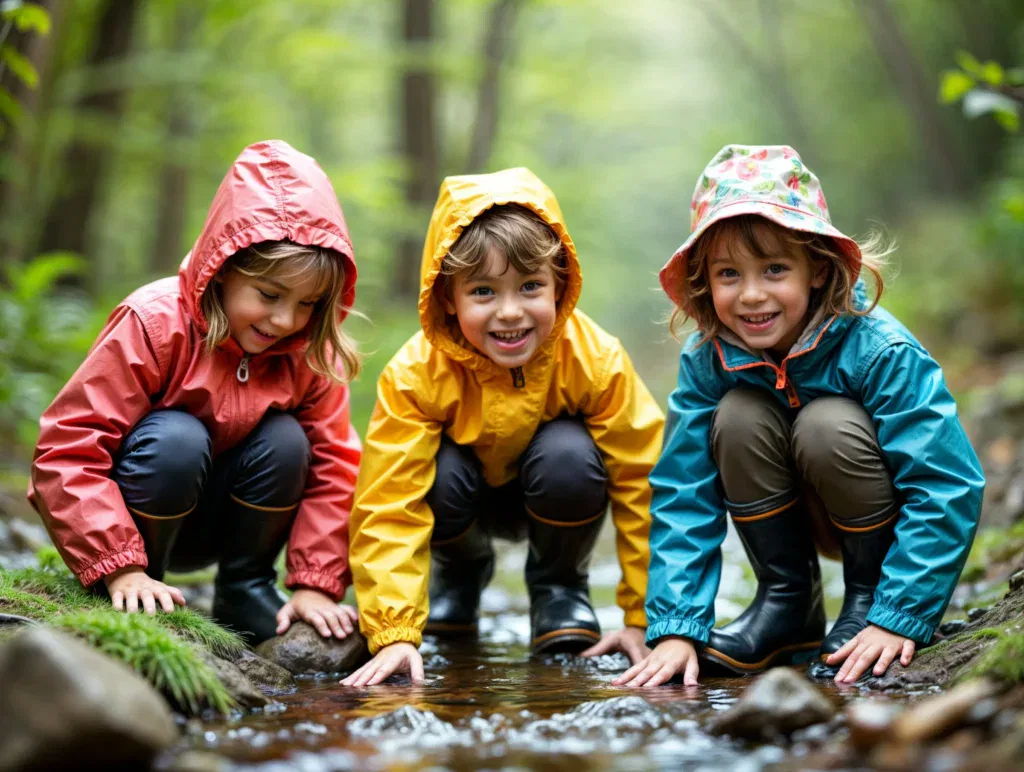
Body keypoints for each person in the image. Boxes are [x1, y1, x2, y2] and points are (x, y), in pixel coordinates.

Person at [615, 144, 984, 687]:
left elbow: (945, 482)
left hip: (876, 516)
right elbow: (683, 493)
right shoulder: (708, 358)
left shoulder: (879, 349)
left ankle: (867, 600)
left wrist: (900, 614)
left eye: (774, 269)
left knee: (825, 422)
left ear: (816, 268)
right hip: (783, 513)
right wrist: (675, 626)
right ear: (704, 281)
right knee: (737, 412)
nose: (752, 295)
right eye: (728, 274)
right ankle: (787, 604)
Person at [29, 140, 363, 645]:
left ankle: (245, 586)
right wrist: (117, 564)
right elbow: (68, 447)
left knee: (290, 440)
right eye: (269, 296)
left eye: (308, 304)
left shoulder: (309, 355)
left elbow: (335, 468)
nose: (285, 320)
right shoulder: (155, 322)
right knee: (177, 437)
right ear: (225, 268)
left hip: (227, 524)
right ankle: (143, 584)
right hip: (141, 516)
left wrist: (317, 581)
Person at [343, 167, 664, 686]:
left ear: (561, 283)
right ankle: (462, 575)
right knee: (436, 471)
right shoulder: (415, 374)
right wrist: (394, 630)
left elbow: (643, 482)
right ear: (448, 297)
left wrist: (648, 620)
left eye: (531, 286)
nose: (510, 313)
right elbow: (388, 503)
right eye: (484, 292)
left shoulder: (594, 359)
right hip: (461, 504)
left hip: (555, 496)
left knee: (569, 453)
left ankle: (559, 587)